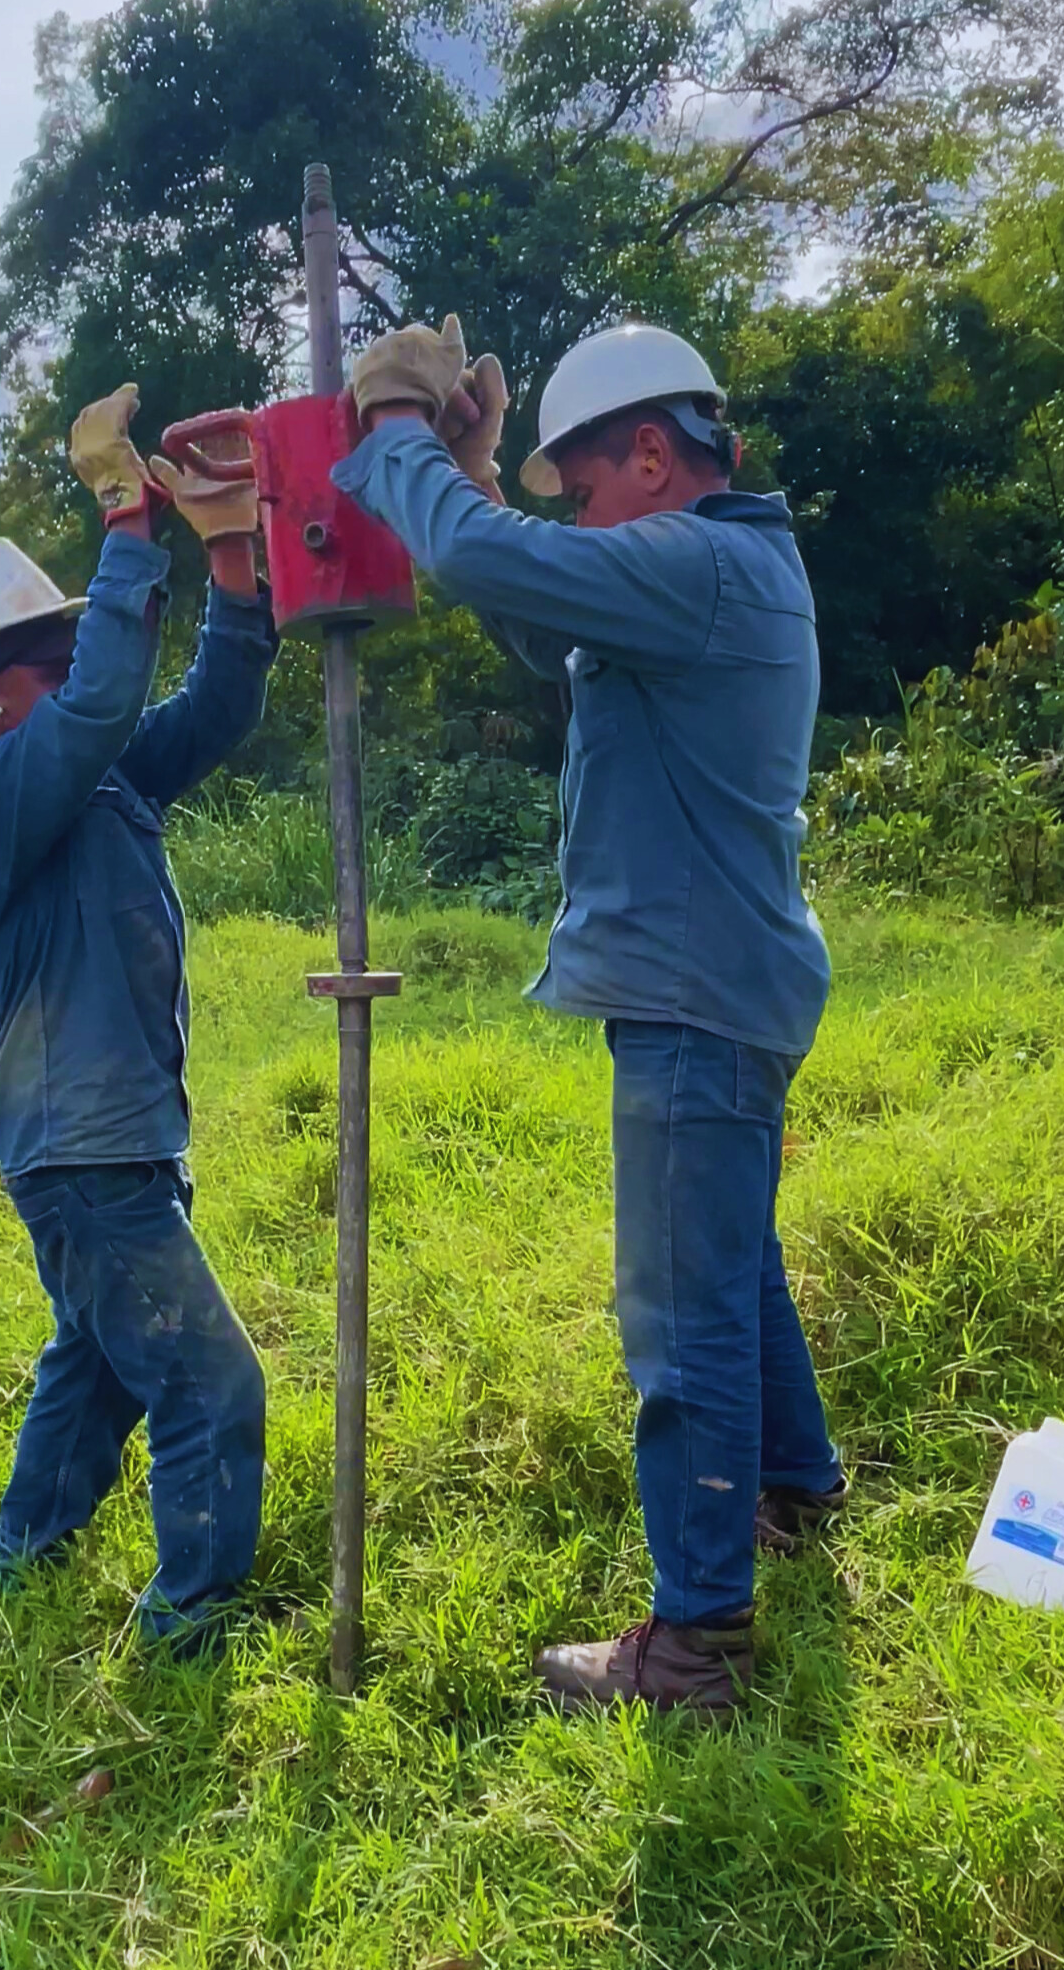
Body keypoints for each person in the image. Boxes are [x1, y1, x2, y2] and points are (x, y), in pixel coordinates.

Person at [330, 318, 844, 1716]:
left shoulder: (702, 561)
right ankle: (792, 1493)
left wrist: (395, 440)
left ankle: (694, 1647)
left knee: (679, 1314)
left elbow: (511, 568)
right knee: (734, 1266)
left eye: (589, 489)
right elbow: (536, 596)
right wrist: (479, 489)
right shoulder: (721, 570)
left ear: (656, 458)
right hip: (721, 979)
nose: (588, 519)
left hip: (694, 991)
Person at [0, 383, 279, 1654]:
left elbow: (214, 707)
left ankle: (22, 1559)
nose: (75, 674)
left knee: (102, 1359)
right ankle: (189, 1624)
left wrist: (229, 550)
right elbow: (112, 697)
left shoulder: (92, 770)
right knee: (209, 1380)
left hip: (102, 1135)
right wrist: (128, 521)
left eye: (72, 655)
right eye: (50, 660)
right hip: (84, 1145)